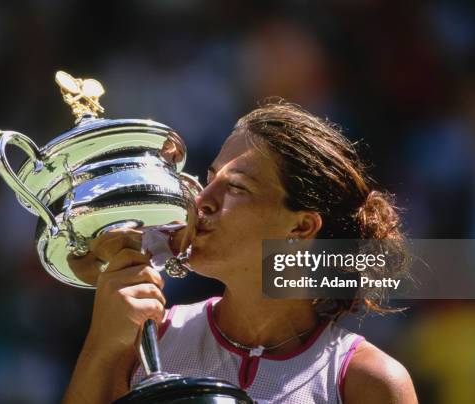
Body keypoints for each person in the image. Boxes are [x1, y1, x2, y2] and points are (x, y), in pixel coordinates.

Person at [62, 100, 418, 403]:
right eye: (211, 177)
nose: (202, 201)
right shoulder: (144, 336)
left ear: (301, 227)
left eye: (236, 188)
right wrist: (103, 340)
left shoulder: (369, 382)